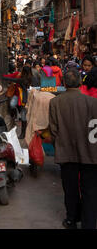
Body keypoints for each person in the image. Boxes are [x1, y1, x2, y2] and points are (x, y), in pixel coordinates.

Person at [49, 68, 97, 229]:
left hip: (66, 151)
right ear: (80, 82)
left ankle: (71, 219)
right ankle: (89, 222)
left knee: (70, 188)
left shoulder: (55, 102)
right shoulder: (93, 103)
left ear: (64, 83)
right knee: (89, 189)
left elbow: (54, 129)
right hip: (90, 153)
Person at [3, 65, 33, 139]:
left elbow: (10, 78)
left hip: (23, 97)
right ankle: (23, 132)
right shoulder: (30, 78)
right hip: (24, 96)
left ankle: (23, 133)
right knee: (15, 106)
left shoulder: (22, 79)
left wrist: (2, 76)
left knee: (23, 114)